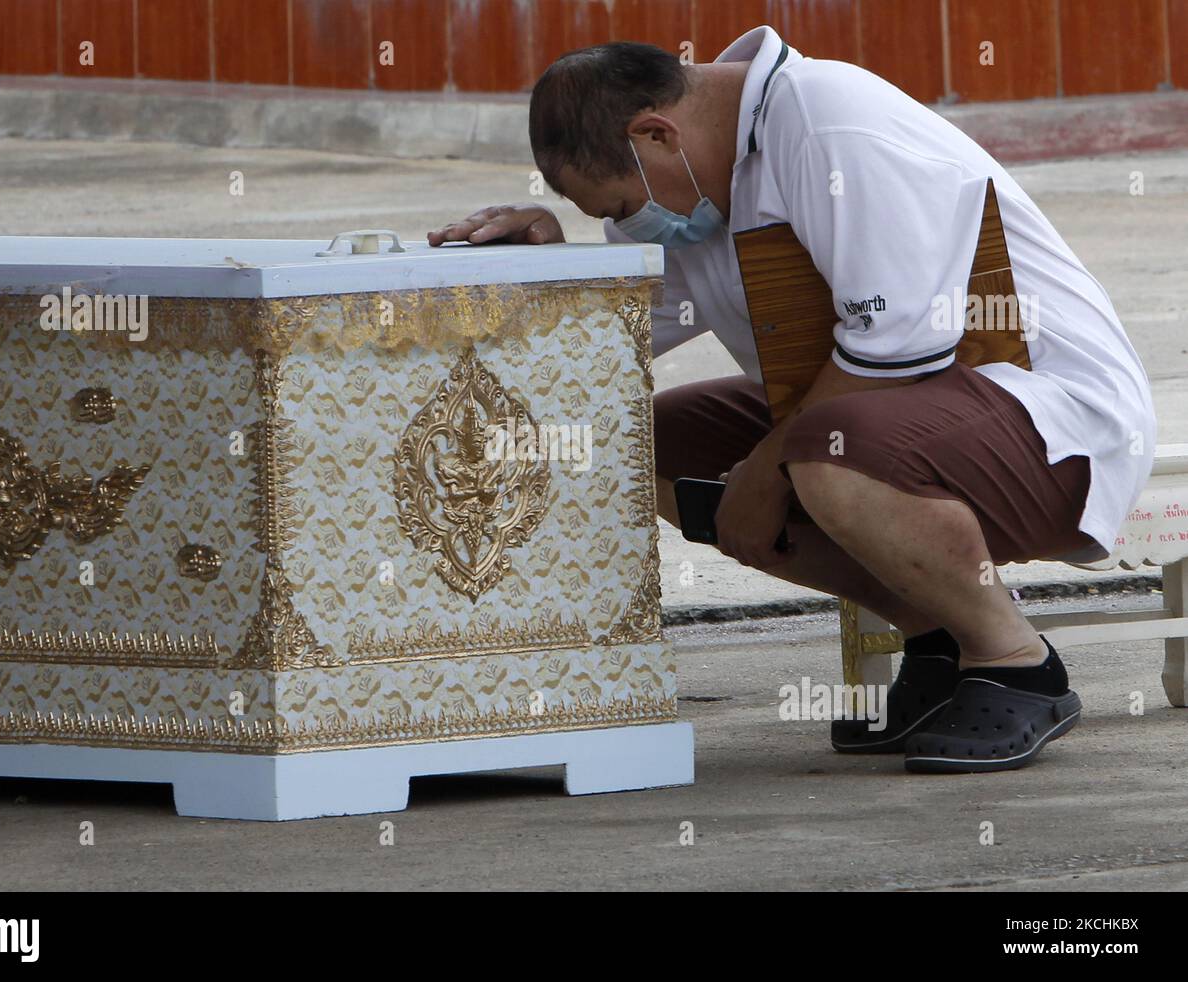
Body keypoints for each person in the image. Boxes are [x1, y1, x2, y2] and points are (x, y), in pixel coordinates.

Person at [428, 25, 1156, 773]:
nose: (624, 227)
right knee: (640, 445)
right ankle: (938, 640)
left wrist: (762, 473)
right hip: (904, 418)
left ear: (655, 133)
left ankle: (1015, 662)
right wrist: (546, 270)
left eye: (617, 207)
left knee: (821, 450)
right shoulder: (703, 183)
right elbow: (614, 340)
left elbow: (899, 346)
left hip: (1051, 419)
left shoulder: (829, 121)